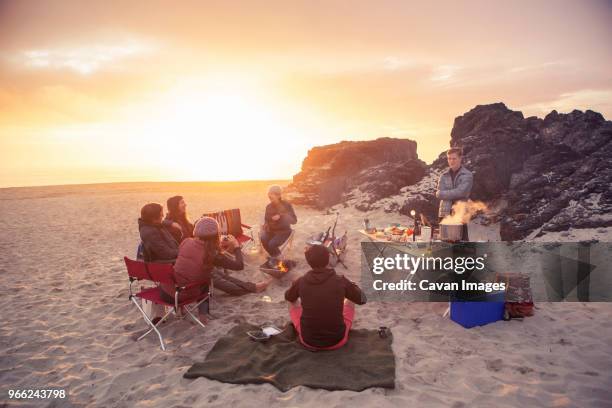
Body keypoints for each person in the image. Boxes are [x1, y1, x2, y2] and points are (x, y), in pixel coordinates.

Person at [160, 217, 270, 315]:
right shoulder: (211, 254)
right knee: (210, 279)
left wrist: (219, 248)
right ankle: (204, 316)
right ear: (216, 234)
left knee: (216, 273)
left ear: (196, 231)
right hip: (184, 294)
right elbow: (239, 266)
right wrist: (236, 246)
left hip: (168, 288)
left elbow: (195, 257)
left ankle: (253, 286)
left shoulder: (186, 241)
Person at [285, 245, 367, 350]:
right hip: (337, 341)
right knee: (350, 298)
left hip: (308, 341)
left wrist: (295, 286)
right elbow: (362, 299)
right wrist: (352, 285)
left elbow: (288, 297)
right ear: (328, 259)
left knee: (291, 301)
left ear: (308, 262)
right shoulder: (340, 280)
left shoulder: (301, 281)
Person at [435, 147, 473, 241]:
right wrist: (455, 192)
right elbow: (438, 194)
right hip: (444, 213)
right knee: (444, 244)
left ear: (460, 158)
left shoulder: (467, 175)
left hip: (460, 213)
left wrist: (445, 193)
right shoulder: (443, 175)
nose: (451, 161)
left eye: (454, 158)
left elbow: (462, 192)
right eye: (449, 158)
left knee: (462, 244)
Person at [261, 185, 297, 267]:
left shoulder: (287, 205)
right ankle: (274, 257)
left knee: (272, 244)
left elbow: (294, 221)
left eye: (272, 194)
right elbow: (266, 219)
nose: (269, 196)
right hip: (271, 230)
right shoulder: (268, 207)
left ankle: (281, 260)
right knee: (263, 238)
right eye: (269, 194)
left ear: (279, 195)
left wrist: (281, 216)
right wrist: (266, 224)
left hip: (284, 231)